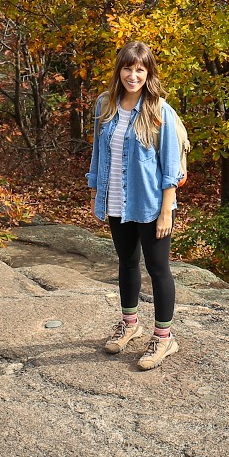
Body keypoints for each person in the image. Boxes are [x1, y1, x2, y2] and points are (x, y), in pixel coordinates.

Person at [85, 41, 188, 370]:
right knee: (127, 263)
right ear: (119, 70)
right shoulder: (105, 104)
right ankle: (130, 325)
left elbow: (170, 165)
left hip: (150, 203)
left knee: (158, 269)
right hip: (116, 200)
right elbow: (99, 155)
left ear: (148, 73)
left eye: (140, 69)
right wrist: (95, 193)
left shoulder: (160, 111)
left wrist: (166, 209)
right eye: (127, 68)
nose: (133, 75)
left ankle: (164, 338)